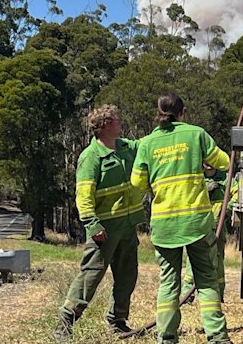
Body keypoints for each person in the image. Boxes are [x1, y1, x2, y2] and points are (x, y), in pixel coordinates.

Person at [130, 92, 233, 344]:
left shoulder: (147, 143)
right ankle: (217, 337)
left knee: (168, 283)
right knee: (206, 279)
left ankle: (166, 337)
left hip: (164, 225)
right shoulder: (195, 134)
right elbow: (224, 161)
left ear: (159, 113)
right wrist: (201, 165)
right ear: (182, 113)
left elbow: (137, 182)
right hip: (196, 222)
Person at [54, 105, 145, 341]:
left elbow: (147, 144)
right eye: (116, 119)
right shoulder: (90, 157)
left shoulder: (126, 147)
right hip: (104, 229)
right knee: (90, 276)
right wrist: (92, 224)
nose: (120, 121)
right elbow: (83, 196)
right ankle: (65, 323)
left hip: (127, 226)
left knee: (127, 276)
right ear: (104, 125)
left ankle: (117, 321)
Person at [183, 164, 233, 302]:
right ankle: (187, 295)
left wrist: (226, 209)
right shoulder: (196, 176)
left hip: (217, 226)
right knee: (192, 259)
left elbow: (237, 192)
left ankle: (218, 294)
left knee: (217, 260)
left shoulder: (226, 178)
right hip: (198, 225)